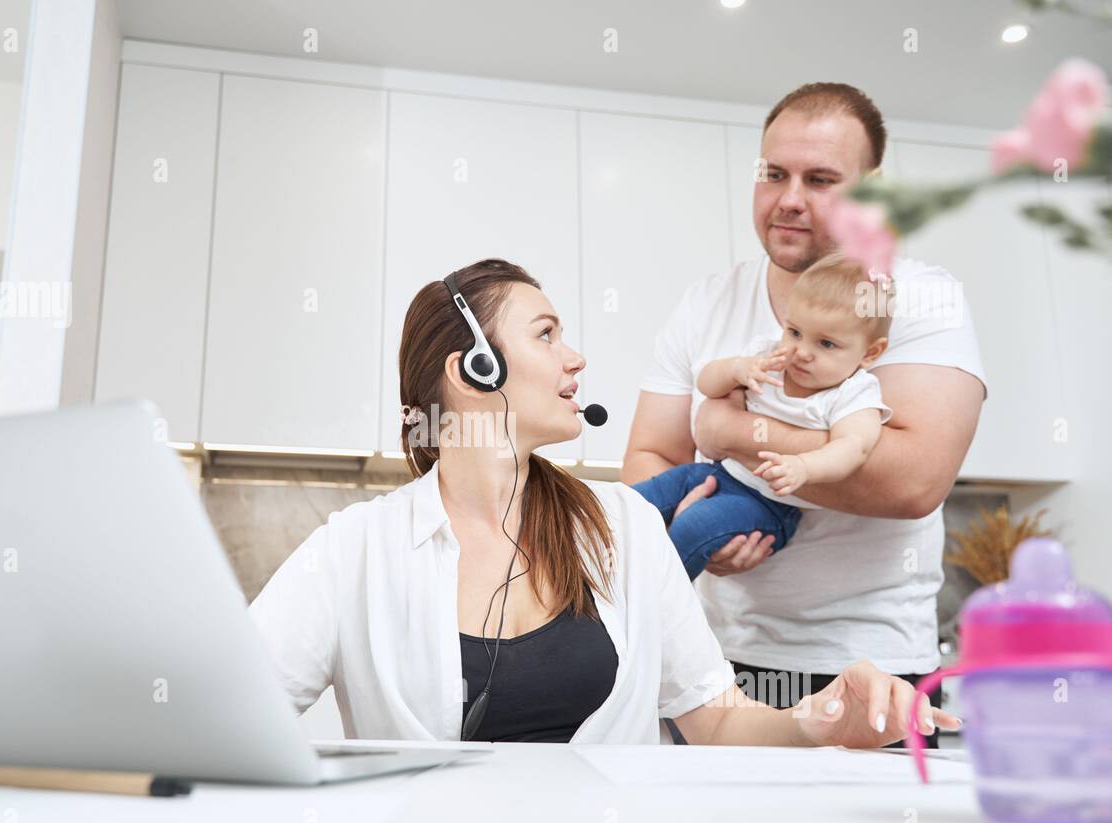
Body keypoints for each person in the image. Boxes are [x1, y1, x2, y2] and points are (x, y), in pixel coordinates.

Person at [248, 258, 960, 747]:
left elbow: (713, 719)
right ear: (474, 369)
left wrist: (824, 717)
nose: (576, 358)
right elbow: (233, 711)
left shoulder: (625, 525)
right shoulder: (356, 548)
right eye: (547, 335)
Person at [622, 83, 988, 746]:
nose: (789, 198)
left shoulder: (921, 300)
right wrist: (689, 524)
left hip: (870, 671)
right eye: (773, 174)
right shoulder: (707, 302)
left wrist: (730, 432)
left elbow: (911, 482)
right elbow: (649, 457)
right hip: (710, 672)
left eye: (820, 179)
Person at [631, 253, 893, 579]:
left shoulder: (853, 393)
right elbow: (707, 383)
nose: (802, 352)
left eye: (826, 343)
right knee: (635, 502)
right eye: (795, 332)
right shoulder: (770, 356)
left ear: (870, 353)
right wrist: (736, 369)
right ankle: (594, 584)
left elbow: (854, 447)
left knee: (693, 527)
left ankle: (648, 610)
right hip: (720, 473)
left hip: (770, 506)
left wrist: (804, 466)